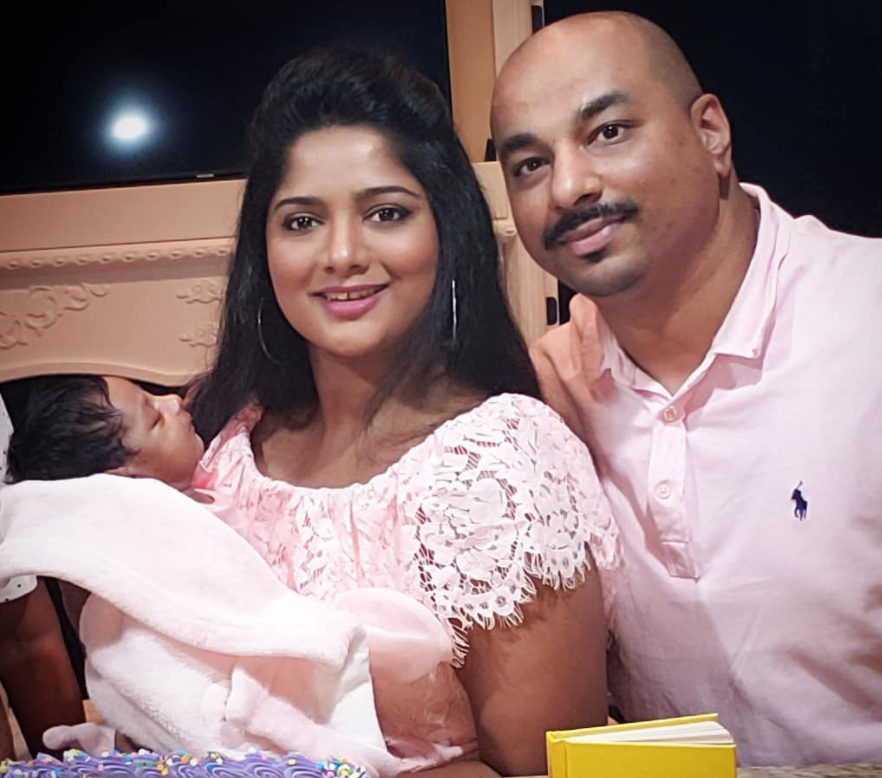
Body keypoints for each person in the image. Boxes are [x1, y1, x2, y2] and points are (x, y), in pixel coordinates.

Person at [190, 48, 621, 777]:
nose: (341, 254)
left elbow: (543, 771)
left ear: (446, 231)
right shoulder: (224, 439)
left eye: (385, 213)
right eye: (302, 221)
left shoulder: (500, 466)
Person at [490, 10, 882, 768]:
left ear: (710, 133)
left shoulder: (865, 319)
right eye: (530, 165)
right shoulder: (548, 397)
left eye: (607, 132)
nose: (568, 186)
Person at [0, 374, 205, 757]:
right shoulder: (125, 561)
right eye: (155, 418)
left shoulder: (219, 473)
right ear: (125, 477)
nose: (174, 401)